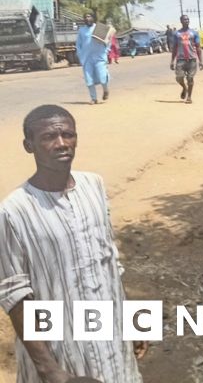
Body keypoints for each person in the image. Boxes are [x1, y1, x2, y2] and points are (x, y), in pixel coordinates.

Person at [0, 105, 146, 383]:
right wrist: (52, 372)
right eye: (48, 137)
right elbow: (15, 297)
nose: (61, 143)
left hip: (111, 341)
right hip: (62, 353)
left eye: (68, 134)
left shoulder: (94, 186)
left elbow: (110, 263)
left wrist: (133, 322)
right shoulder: (13, 211)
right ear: (28, 145)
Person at [74, 13, 109, 104]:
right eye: (85, 17)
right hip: (87, 58)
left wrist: (106, 51)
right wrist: (80, 56)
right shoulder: (82, 31)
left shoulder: (99, 28)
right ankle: (93, 98)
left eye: (89, 16)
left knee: (102, 77)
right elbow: (78, 45)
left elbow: (108, 40)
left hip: (99, 57)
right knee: (89, 80)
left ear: (93, 18)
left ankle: (105, 90)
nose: (87, 18)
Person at [169, 14, 203, 104]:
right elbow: (175, 48)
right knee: (179, 78)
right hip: (180, 59)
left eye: (188, 19)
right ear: (181, 21)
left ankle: (189, 97)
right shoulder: (177, 34)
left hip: (192, 59)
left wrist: (201, 61)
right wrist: (172, 61)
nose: (186, 21)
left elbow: (198, 47)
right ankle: (184, 87)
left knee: (190, 78)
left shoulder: (194, 33)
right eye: (184, 19)